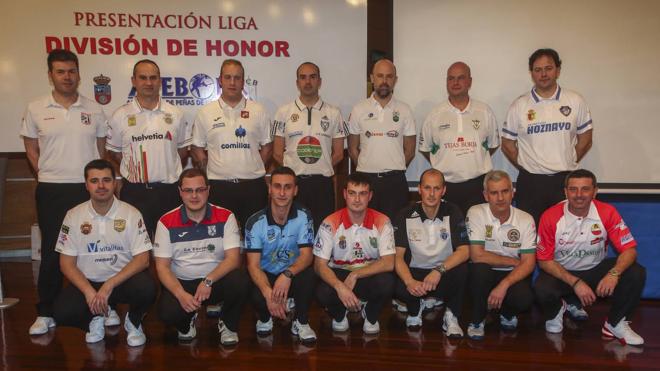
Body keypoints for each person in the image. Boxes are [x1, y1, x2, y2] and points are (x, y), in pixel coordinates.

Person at [22, 49, 107, 335]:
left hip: (88, 190)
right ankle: (45, 312)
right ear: (50, 75)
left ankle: (99, 308)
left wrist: (94, 183)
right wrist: (47, 174)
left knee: (95, 249)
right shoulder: (36, 108)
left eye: (71, 71)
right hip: (52, 189)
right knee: (52, 251)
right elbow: (31, 150)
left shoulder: (94, 108)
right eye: (60, 71)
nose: (67, 76)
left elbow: (101, 150)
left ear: (78, 74)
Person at [534, 169, 646, 346]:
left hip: (595, 269)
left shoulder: (607, 212)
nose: (579, 195)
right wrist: (576, 283)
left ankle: (614, 323)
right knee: (542, 288)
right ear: (565, 192)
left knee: (636, 272)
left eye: (585, 189)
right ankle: (558, 309)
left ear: (595, 191)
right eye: (573, 189)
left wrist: (613, 274)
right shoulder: (550, 216)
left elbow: (630, 250)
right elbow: (544, 261)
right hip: (563, 272)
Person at [52, 159, 155, 346]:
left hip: (121, 282)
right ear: (86, 185)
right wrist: (89, 292)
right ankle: (95, 317)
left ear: (115, 183)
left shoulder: (131, 213)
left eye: (106, 180)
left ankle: (134, 321)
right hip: (89, 282)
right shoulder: (73, 215)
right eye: (94, 181)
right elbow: (65, 264)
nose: (101, 186)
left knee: (147, 289)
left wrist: (109, 285)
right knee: (61, 312)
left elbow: (143, 260)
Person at [153, 168, 249, 346]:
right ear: (180, 192)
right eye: (188, 190)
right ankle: (186, 322)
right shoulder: (165, 222)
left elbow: (234, 259)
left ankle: (228, 324)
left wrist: (208, 281)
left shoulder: (226, 216)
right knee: (167, 313)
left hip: (214, 282)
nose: (194, 196)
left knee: (241, 279)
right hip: (183, 283)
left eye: (200, 190)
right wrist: (180, 294)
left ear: (208, 190)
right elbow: (161, 267)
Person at [501, 48, 593, 224]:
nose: (543, 74)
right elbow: (507, 143)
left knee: (565, 234)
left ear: (558, 70)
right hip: (531, 182)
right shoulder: (520, 105)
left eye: (548, 68)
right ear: (531, 73)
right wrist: (525, 165)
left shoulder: (575, 100)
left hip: (564, 181)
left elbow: (586, 139)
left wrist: (569, 159)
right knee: (530, 235)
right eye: (538, 70)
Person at [106, 59, 191, 236]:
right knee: (138, 250)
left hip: (169, 191)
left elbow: (182, 152)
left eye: (153, 78)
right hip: (135, 193)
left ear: (160, 81)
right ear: (133, 81)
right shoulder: (120, 115)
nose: (149, 83)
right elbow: (114, 153)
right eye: (143, 78)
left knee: (171, 247)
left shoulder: (176, 114)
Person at [191, 58, 272, 230]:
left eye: (237, 78)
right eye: (228, 77)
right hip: (219, 188)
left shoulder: (259, 110)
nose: (232, 82)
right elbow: (197, 148)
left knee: (255, 241)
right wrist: (211, 169)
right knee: (221, 241)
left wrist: (252, 167)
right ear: (220, 80)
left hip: (253, 187)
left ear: (243, 81)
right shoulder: (205, 112)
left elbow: (267, 146)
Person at [314, 172, 395, 334]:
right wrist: (339, 287)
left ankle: (370, 315)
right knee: (322, 291)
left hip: (367, 275)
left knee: (387, 282)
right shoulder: (329, 222)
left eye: (362, 194)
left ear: (370, 196)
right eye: (352, 193)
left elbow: (388, 262)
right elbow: (318, 265)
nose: (357, 199)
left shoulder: (383, 221)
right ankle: (339, 314)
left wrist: (356, 275)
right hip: (340, 275)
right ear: (345, 194)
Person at [393, 169, 469, 337]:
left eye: (437, 188)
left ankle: (451, 315)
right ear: (419, 189)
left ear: (444, 190)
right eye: (427, 188)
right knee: (396, 282)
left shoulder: (453, 211)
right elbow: (397, 256)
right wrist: (409, 281)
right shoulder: (404, 214)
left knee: (463, 269)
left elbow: (464, 251)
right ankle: (415, 308)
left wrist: (439, 271)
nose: (432, 194)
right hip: (416, 273)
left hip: (442, 272)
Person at [245, 166, 317, 343]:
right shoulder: (255, 222)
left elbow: (307, 256)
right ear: (269, 189)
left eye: (288, 187)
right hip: (267, 275)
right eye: (277, 186)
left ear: (295, 190)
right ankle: (265, 317)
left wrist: (287, 274)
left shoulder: (304, 216)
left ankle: (301, 321)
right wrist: (269, 294)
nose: (282, 192)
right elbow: (253, 266)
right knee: (250, 285)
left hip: (291, 274)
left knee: (310, 275)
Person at [273, 62, 347, 231]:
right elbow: (277, 153)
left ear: (319, 81)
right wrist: (291, 174)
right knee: (292, 232)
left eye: (312, 77)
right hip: (293, 185)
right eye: (303, 77)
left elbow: (338, 154)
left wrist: (319, 166)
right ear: (297, 82)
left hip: (322, 184)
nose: (308, 82)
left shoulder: (334, 113)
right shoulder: (283, 112)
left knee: (322, 234)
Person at [419, 62, 500, 215]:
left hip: (477, 186)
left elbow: (493, 145)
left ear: (470, 81)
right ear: (446, 82)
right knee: (448, 235)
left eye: (460, 78)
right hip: (445, 187)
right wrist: (443, 162)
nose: (455, 83)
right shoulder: (435, 114)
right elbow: (426, 149)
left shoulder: (484, 111)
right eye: (451, 79)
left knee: (476, 233)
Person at [465, 170, 536, 340]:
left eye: (505, 191)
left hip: (511, 274)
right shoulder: (475, 212)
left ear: (513, 193)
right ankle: (477, 320)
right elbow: (477, 256)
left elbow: (529, 263)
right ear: (485, 195)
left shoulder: (526, 219)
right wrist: (512, 261)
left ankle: (507, 313)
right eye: (494, 193)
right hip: (486, 271)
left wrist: (504, 285)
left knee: (524, 299)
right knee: (479, 271)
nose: (500, 198)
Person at [347, 58, 416, 221]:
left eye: (389, 76)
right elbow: (352, 149)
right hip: (366, 182)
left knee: (395, 232)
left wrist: (392, 168)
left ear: (395, 80)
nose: (384, 81)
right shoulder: (359, 109)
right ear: (372, 78)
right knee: (365, 230)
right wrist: (368, 167)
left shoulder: (405, 110)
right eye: (380, 76)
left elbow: (410, 151)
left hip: (395, 182)